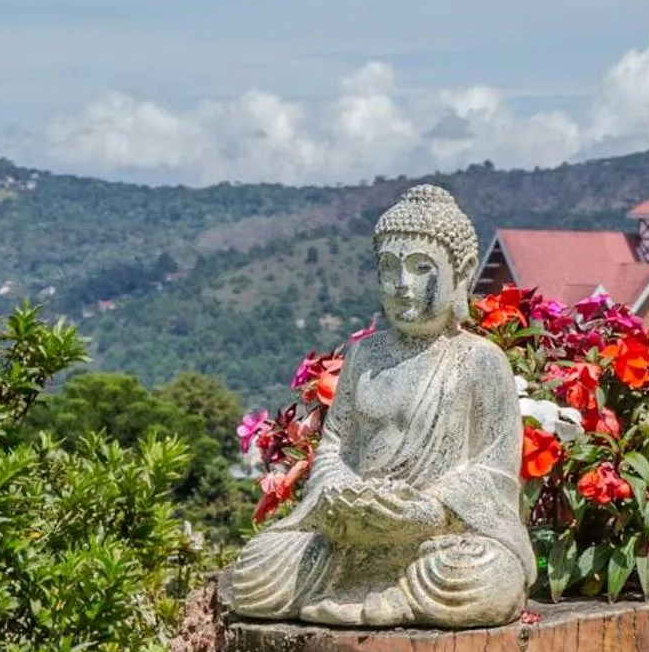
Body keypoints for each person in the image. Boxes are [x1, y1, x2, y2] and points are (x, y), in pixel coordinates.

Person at [223, 185, 533, 628]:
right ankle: (374, 588)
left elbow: (493, 472)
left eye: (422, 269)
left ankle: (395, 593)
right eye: (389, 269)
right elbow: (332, 448)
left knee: (487, 575)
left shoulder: (480, 361)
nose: (402, 286)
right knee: (255, 568)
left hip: (434, 541)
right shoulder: (364, 357)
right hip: (352, 540)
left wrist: (429, 510)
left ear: (460, 274)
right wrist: (340, 492)